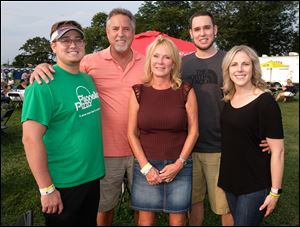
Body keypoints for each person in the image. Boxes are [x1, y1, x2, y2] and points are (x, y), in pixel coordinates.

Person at [29, 8, 144, 226]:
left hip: (141, 150)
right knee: (104, 208)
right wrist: (41, 66)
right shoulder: (90, 62)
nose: (121, 33)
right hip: (105, 154)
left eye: (126, 28)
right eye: (115, 28)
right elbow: (63, 68)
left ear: (134, 32)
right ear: (107, 33)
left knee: (143, 207)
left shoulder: (147, 61)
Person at [181, 11, 269, 226]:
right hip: (188, 148)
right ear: (191, 33)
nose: (203, 33)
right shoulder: (183, 64)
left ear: (215, 29)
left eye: (207, 28)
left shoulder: (229, 61)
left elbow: (252, 96)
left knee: (225, 208)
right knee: (193, 203)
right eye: (197, 29)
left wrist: (264, 132)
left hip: (223, 148)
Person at [22, 20, 105, 226]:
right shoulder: (42, 85)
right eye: (65, 40)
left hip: (92, 176)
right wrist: (47, 189)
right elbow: (30, 139)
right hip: (63, 183)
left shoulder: (87, 79)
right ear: (53, 46)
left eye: (78, 39)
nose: (73, 45)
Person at [127, 35, 199, 226]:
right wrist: (146, 167)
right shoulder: (137, 92)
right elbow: (131, 134)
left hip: (179, 165)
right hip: (146, 165)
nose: (160, 62)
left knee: (177, 220)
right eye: (156, 56)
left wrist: (179, 163)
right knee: (145, 221)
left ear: (174, 62)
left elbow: (194, 131)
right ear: (149, 60)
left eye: (166, 57)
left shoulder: (186, 90)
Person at [218, 45, 284, 226]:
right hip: (230, 181)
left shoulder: (265, 102)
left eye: (245, 64)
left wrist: (275, 192)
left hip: (254, 184)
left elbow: (278, 152)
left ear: (253, 67)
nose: (239, 69)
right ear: (227, 69)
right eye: (234, 65)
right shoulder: (228, 98)